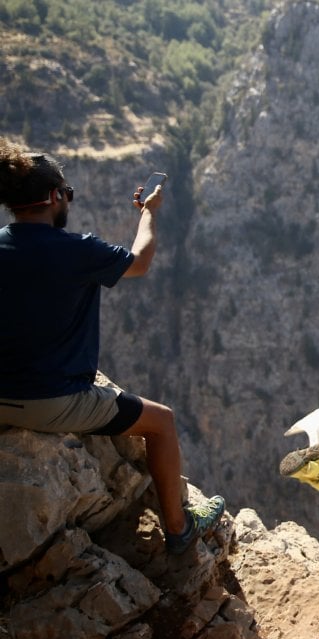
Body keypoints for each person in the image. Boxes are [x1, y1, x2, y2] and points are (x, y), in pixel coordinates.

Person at [0, 138, 224, 554]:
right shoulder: (74, 250)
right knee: (162, 422)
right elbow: (140, 260)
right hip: (49, 399)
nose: (69, 201)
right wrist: (149, 214)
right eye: (68, 194)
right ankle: (179, 528)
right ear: (53, 198)